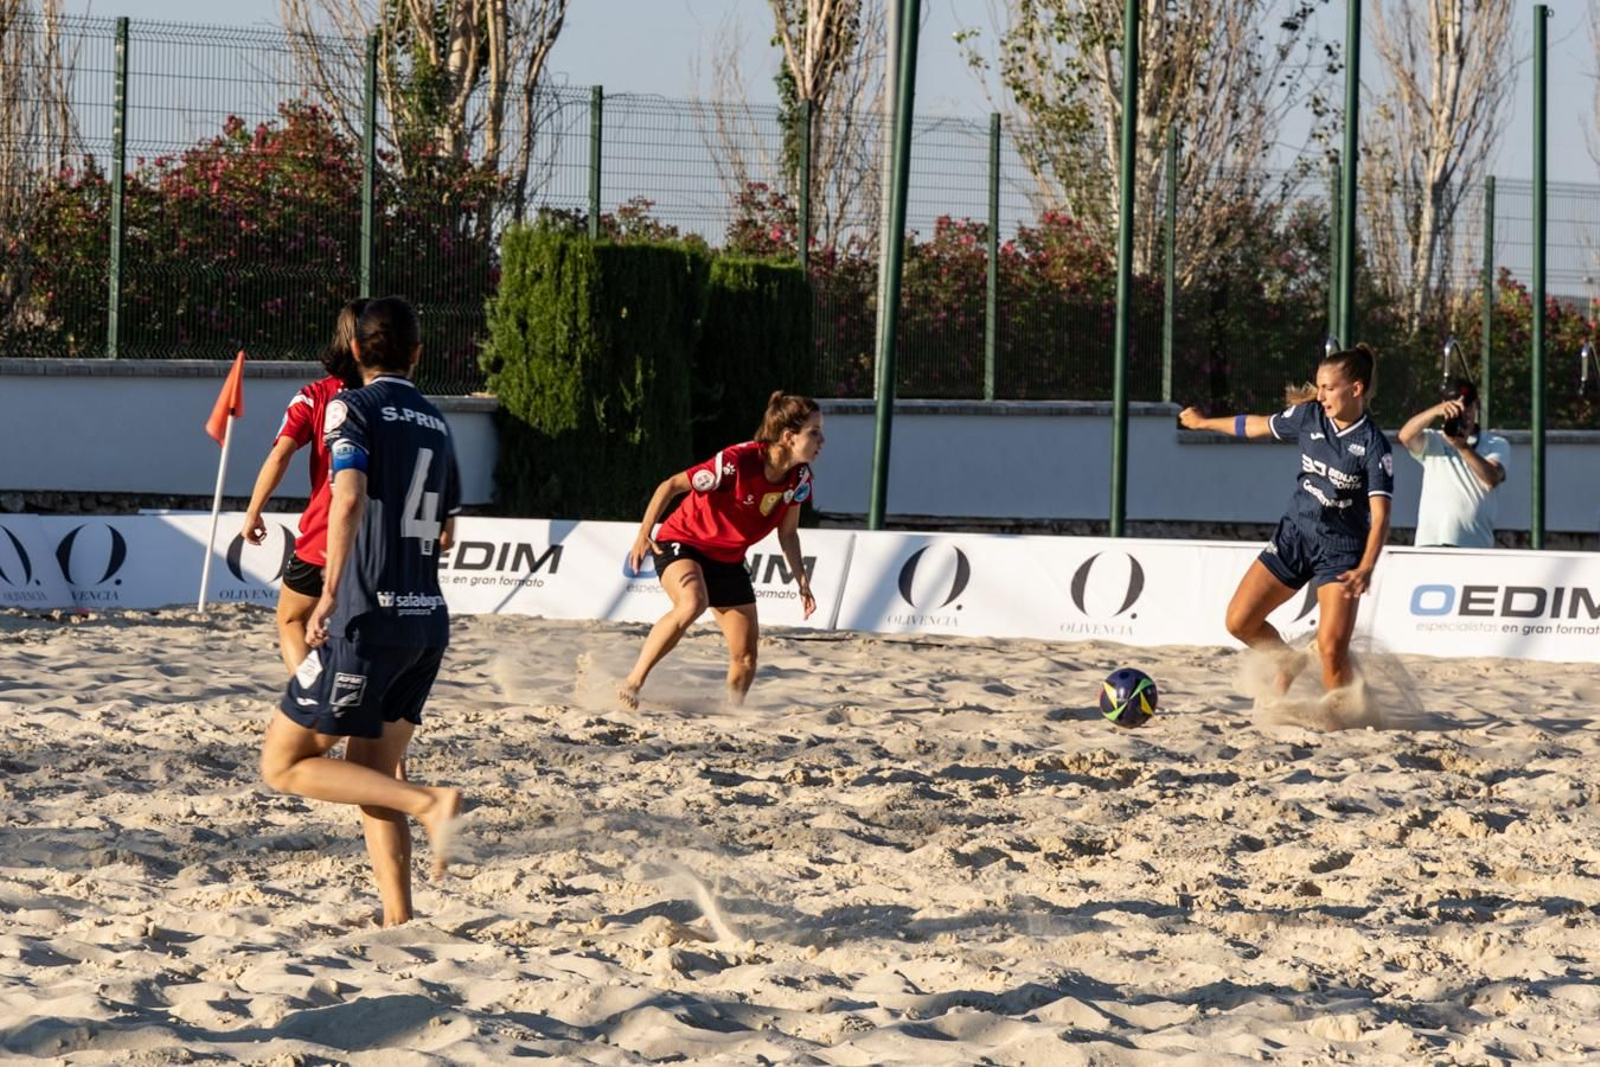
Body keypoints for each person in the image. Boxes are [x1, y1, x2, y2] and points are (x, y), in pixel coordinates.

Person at [259, 296, 463, 928]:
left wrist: (329, 592)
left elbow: (346, 500)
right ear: (418, 354)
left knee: (284, 764)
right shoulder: (438, 421)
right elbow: (446, 532)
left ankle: (431, 802)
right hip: (426, 620)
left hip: (366, 619)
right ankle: (399, 917)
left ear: (354, 350)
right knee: (370, 774)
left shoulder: (352, 405)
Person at [1178, 344, 1394, 695]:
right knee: (1239, 622)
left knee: (1330, 650)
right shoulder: (1308, 418)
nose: (1320, 395)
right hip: (1295, 536)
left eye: (1329, 388)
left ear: (1356, 389)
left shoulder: (1373, 446)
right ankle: (1288, 661)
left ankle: (1341, 717)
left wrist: (1367, 566)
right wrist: (1204, 423)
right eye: (1319, 386)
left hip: (1340, 553)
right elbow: (1256, 425)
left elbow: (1382, 515)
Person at [621, 391, 824, 709]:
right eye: (814, 432)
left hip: (728, 559)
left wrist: (801, 581)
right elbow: (670, 485)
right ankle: (633, 683)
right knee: (692, 603)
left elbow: (788, 534)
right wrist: (643, 534)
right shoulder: (736, 462)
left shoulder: (799, 479)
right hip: (683, 541)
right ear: (788, 436)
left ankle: (732, 714)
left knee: (745, 657)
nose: (821, 440)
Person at [241, 299, 368, 675]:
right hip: (382, 537)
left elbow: (281, 454)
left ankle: (312, 695)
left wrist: (253, 511)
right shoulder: (397, 401)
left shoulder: (315, 395)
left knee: (292, 621)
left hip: (326, 532)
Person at [1396, 379, 1508, 548]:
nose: (1463, 412)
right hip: (1431, 543)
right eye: (1456, 406)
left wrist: (1462, 447)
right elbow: (1405, 436)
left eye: (1468, 406)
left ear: (1476, 406)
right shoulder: (1433, 439)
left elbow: (1492, 477)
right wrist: (1434, 412)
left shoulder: (1495, 443)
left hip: (1474, 545)